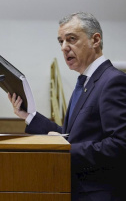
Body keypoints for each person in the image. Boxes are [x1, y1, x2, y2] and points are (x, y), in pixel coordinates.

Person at [8, 12, 126, 201]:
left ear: (95, 40)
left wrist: (65, 150)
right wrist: (29, 116)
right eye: (61, 41)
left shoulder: (112, 81)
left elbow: (120, 145)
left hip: (99, 193)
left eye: (71, 39)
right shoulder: (85, 83)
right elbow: (70, 136)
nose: (64, 48)